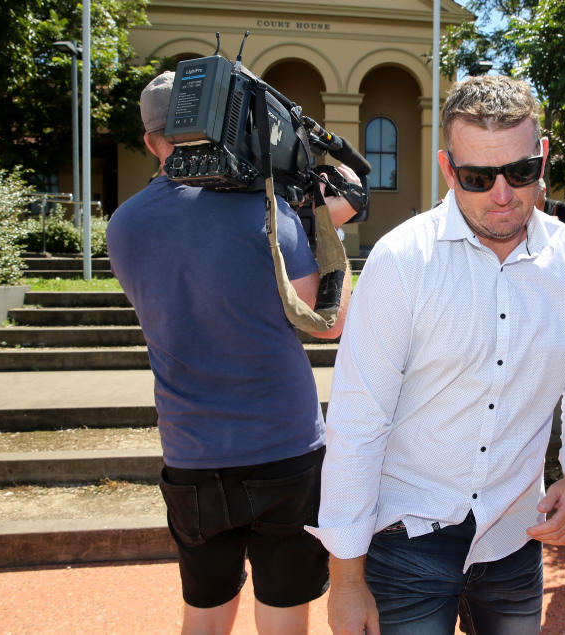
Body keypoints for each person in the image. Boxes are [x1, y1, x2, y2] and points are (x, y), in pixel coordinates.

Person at [308, 74, 565, 634]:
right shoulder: (402, 261)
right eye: (478, 177)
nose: (502, 194)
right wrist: (347, 579)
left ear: (542, 157)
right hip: (405, 542)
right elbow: (358, 422)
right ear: (448, 169)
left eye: (521, 172)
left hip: (514, 534)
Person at [106, 71, 357, 634]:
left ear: (151, 142)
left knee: (204, 612)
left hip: (190, 450)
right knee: (285, 612)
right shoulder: (267, 214)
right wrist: (317, 222)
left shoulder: (123, 226)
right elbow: (326, 322)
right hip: (282, 446)